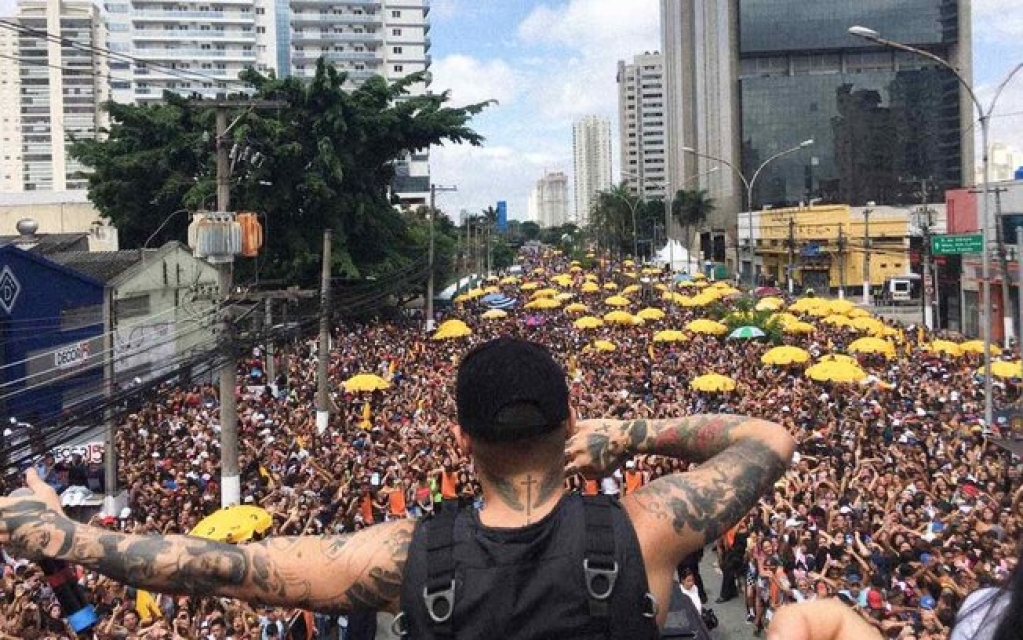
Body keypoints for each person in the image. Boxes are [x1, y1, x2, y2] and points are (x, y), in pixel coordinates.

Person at [0, 337, 794, 637]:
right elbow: (766, 439)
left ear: (460, 441)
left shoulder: (403, 557)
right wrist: (634, 433)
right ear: (570, 427)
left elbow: (214, 565)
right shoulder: (648, 529)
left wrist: (58, 535)